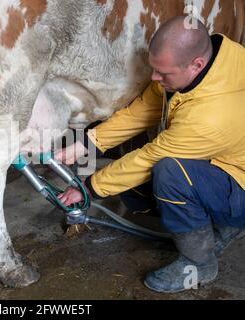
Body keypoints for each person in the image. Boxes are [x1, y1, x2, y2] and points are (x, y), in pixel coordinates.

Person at [55, 16, 245, 294]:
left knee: (169, 174)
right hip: (221, 164)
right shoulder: (211, 60)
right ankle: (221, 224)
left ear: (197, 65)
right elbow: (145, 109)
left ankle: (199, 263)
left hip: (239, 182)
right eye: (155, 70)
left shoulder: (211, 116)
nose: (155, 78)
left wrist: (88, 188)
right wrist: (88, 143)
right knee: (133, 189)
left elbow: (150, 158)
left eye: (163, 74)